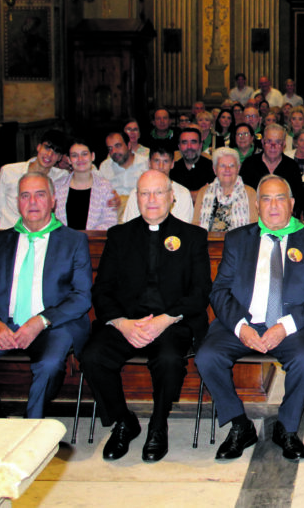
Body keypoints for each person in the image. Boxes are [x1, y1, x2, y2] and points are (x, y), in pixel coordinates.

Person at [196, 175, 304, 461]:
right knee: (207, 356)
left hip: (290, 326)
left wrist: (285, 327)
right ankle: (239, 424)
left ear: (291, 203)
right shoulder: (238, 239)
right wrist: (241, 327)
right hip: (243, 323)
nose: (273, 206)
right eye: (266, 199)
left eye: (280, 198)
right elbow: (219, 291)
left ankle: (287, 426)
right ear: (257, 204)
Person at [80, 170, 211, 462]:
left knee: (167, 360)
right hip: (127, 322)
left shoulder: (193, 237)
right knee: (92, 356)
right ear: (136, 198)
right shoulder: (119, 236)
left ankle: (157, 424)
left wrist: (166, 319)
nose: (151, 200)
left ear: (172, 197)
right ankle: (124, 421)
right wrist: (122, 324)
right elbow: (102, 290)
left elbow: (201, 292)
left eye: (158, 193)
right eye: (144, 193)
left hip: (171, 322)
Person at [0, 173, 93, 418]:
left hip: (53, 325)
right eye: (25, 195)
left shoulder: (74, 241)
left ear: (53, 201)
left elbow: (81, 297)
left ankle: (31, 426)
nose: (32, 202)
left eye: (40, 195)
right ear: (18, 202)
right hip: (5, 323)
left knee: (48, 365)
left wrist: (40, 321)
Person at [0, 129, 69, 229]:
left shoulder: (62, 177)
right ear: (39, 147)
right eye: (47, 147)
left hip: (41, 237)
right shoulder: (9, 171)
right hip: (9, 235)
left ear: (60, 157)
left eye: (56, 152)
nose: (49, 154)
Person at [53, 139, 119, 230]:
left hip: (94, 241)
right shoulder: (57, 186)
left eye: (84, 154)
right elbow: (50, 219)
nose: (80, 159)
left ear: (92, 156)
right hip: (63, 242)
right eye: (74, 155)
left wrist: (85, 237)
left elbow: (110, 221)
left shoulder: (105, 187)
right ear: (69, 160)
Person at [121, 145, 195, 224]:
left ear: (172, 164)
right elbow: (130, 227)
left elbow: (183, 229)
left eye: (165, 161)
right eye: (156, 161)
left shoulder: (183, 193)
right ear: (149, 163)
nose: (160, 167)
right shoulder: (136, 193)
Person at [193, 147, 258, 232]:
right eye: (222, 165)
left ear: (238, 168)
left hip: (239, 244)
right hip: (208, 243)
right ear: (214, 169)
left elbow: (254, 228)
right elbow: (195, 226)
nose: (227, 170)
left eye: (231, 165)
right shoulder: (203, 192)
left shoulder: (250, 193)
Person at [240, 124, 304, 204]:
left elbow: (298, 200)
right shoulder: (249, 164)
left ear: (284, 144)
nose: (273, 146)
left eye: (277, 142)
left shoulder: (292, 167)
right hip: (254, 214)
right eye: (269, 141)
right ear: (263, 142)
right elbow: (241, 196)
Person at [100, 131, 149, 203]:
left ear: (129, 145)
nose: (114, 151)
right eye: (110, 148)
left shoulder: (145, 164)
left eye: (118, 146)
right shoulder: (105, 167)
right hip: (113, 210)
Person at [169, 128, 215, 198]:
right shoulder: (172, 170)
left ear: (200, 145)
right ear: (179, 146)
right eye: (184, 142)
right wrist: (198, 194)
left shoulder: (212, 168)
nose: (189, 147)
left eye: (193, 142)